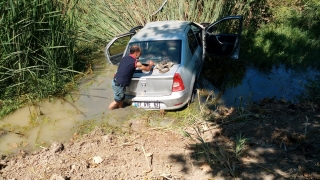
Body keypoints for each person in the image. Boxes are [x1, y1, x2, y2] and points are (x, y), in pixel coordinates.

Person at [108, 45, 154, 110]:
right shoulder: (135, 62)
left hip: (116, 82)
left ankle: (120, 109)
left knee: (121, 99)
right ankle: (110, 110)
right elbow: (147, 69)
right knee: (117, 101)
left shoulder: (124, 58)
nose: (140, 55)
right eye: (140, 53)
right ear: (136, 53)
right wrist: (151, 64)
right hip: (119, 85)